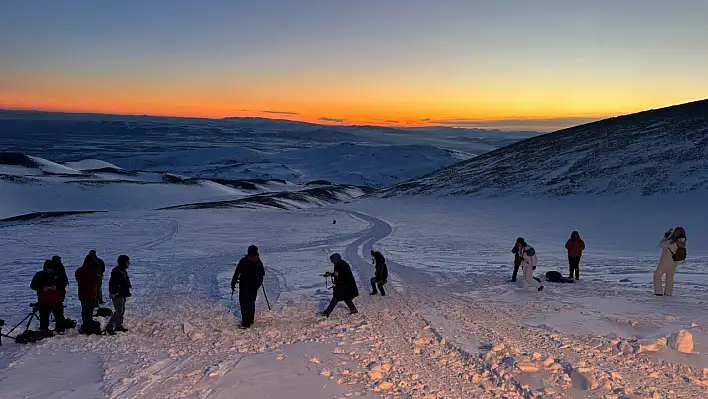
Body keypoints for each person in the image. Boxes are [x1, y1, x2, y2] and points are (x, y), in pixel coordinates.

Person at [231, 245, 265, 329]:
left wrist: (233, 283)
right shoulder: (258, 262)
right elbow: (262, 274)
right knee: (251, 303)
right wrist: (258, 284)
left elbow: (237, 272)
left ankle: (246, 323)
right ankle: (251, 320)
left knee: (244, 304)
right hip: (254, 286)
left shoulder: (244, 261)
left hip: (244, 286)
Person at [30, 260, 66, 333]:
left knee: (59, 316)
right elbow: (33, 285)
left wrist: (56, 287)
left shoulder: (59, 275)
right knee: (44, 317)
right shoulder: (39, 275)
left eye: (50, 269)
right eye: (47, 269)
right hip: (44, 300)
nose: (48, 271)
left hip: (56, 300)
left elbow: (63, 284)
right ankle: (44, 330)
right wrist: (41, 287)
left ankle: (60, 330)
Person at [654, 227, 687, 296]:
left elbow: (661, 245)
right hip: (675, 262)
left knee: (657, 275)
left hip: (665, 261)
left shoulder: (671, 242)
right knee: (670, 277)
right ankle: (668, 293)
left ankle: (658, 293)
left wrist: (665, 237)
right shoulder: (682, 242)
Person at [75, 255, 103, 334]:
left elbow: (78, 279)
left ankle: (86, 324)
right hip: (90, 294)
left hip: (82, 293)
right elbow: (97, 281)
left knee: (85, 310)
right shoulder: (92, 272)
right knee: (88, 310)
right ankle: (88, 326)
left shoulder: (79, 271)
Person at [106, 255, 132, 335]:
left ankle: (118, 325)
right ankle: (109, 327)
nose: (129, 264)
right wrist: (113, 293)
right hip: (117, 294)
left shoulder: (122, 270)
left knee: (122, 310)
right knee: (119, 311)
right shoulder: (116, 271)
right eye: (127, 262)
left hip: (122, 293)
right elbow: (112, 283)